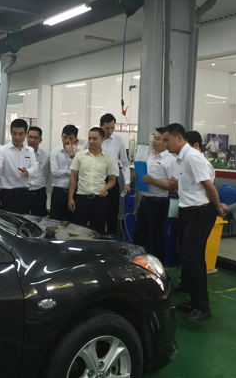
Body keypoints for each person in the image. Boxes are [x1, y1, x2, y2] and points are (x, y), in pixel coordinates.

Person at [162, 123, 225, 322]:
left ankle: (202, 307)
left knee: (190, 258)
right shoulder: (181, 158)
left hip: (200, 213)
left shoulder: (192, 157)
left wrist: (218, 209)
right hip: (188, 212)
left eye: (167, 140)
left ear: (179, 138)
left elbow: (210, 188)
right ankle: (194, 299)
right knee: (193, 258)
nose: (165, 144)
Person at [132, 128, 179, 263]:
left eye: (158, 139)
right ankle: (138, 264)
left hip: (158, 203)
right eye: (154, 138)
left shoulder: (170, 160)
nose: (154, 141)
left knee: (156, 237)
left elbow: (172, 186)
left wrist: (153, 181)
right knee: (139, 235)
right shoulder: (149, 157)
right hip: (145, 201)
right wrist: (136, 175)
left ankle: (159, 266)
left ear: (165, 142)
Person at [85, 113, 131, 235]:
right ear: (100, 126)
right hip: (96, 181)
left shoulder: (119, 141)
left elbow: (125, 163)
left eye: (112, 128)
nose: (110, 131)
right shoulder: (92, 141)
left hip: (112, 181)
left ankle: (111, 241)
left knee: (112, 215)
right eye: (107, 128)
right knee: (96, 215)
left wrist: (127, 182)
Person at [69, 127, 116, 232]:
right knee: (76, 231)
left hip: (99, 201)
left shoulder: (108, 159)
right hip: (81, 199)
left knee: (97, 232)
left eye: (95, 139)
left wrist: (105, 188)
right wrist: (70, 198)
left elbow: (112, 179)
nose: (91, 141)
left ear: (102, 140)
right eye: (89, 138)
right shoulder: (80, 156)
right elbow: (73, 176)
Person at [0, 118, 36, 214]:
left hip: (25, 193)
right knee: (8, 220)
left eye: (21, 134)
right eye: (14, 133)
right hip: (8, 194)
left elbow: (34, 168)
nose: (17, 137)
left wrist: (28, 172)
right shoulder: (2, 150)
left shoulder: (30, 150)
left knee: (24, 219)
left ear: (26, 134)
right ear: (10, 133)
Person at [50, 125, 79, 222]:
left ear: (75, 138)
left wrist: (72, 155)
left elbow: (80, 173)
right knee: (54, 222)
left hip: (74, 192)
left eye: (71, 138)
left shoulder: (79, 154)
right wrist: (72, 172)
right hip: (58, 191)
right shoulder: (55, 152)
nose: (67, 141)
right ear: (61, 136)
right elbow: (54, 172)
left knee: (71, 222)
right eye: (65, 137)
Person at [26, 126, 50, 216]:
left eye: (35, 138)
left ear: (40, 140)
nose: (32, 140)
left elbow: (47, 174)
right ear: (26, 138)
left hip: (39, 193)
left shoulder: (45, 156)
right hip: (24, 192)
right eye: (30, 137)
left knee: (40, 219)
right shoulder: (20, 153)